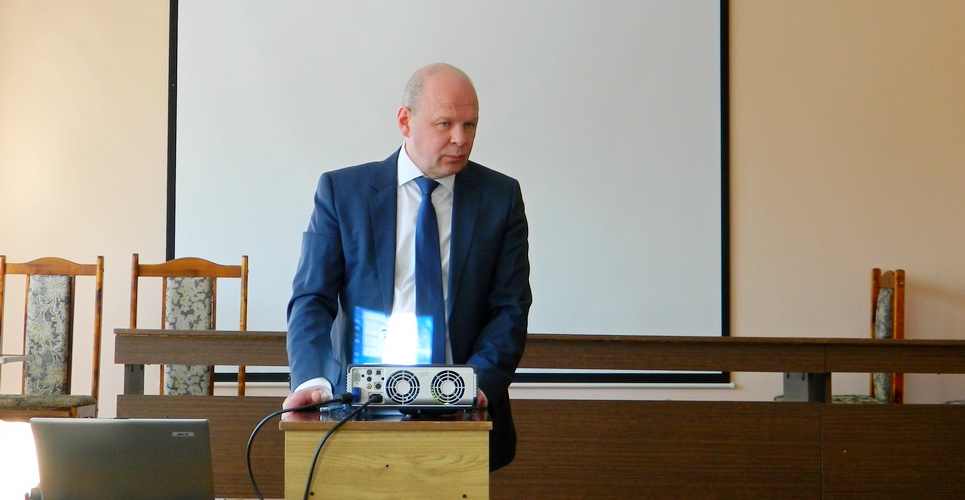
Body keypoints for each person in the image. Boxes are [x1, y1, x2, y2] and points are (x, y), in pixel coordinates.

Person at [284, 63, 532, 471]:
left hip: (462, 416)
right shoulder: (343, 193)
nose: (460, 138)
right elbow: (312, 299)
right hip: (358, 412)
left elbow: (510, 308)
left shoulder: (499, 198)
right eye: (445, 124)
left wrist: (476, 386)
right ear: (405, 121)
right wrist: (312, 380)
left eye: (470, 125)